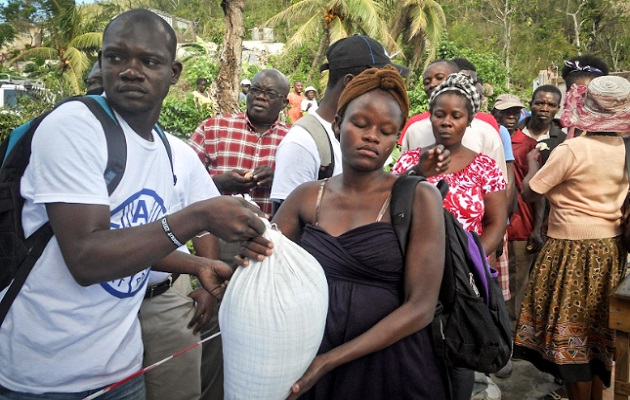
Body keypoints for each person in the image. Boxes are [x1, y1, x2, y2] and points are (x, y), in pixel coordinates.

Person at [0, 9, 267, 399]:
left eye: (149, 61)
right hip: (43, 376)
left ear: (173, 73)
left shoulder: (160, 148)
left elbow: (126, 240)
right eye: (116, 57)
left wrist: (199, 264)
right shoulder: (75, 126)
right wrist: (199, 216)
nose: (130, 70)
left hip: (119, 372)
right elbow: (87, 258)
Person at [245, 65, 449, 399]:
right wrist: (247, 254)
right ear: (338, 125)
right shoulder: (307, 197)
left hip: (389, 366)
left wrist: (329, 361)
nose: (372, 136)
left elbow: (421, 307)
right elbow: (265, 268)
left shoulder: (418, 198)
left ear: (396, 138)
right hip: (307, 356)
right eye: (360, 123)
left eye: (385, 130)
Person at [392, 72, 507, 400]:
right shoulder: (412, 160)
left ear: (469, 120)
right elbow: (392, 207)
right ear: (430, 116)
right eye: (439, 114)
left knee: (459, 350)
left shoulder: (485, 167)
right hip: (412, 269)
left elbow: (497, 223)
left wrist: (468, 262)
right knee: (416, 348)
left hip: (462, 277)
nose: (446, 121)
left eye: (456, 116)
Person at [514, 75, 630, 400]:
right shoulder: (625, 149)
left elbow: (530, 192)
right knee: (597, 340)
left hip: (571, 252)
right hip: (611, 250)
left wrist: (536, 160)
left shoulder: (573, 150)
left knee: (573, 342)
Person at [271, 35, 415, 212]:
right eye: (374, 78)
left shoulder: (374, 134)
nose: (383, 87)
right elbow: (285, 227)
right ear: (351, 82)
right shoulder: (303, 142)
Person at [188, 68, 290, 217]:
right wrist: (217, 183)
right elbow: (182, 177)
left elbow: (306, 192)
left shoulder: (292, 139)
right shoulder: (213, 127)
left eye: (270, 94)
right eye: (255, 90)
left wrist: (278, 180)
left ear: (284, 103)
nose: (260, 97)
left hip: (271, 234)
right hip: (215, 231)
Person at [560, 55, 609, 139]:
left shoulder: (614, 132)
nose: (583, 101)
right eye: (578, 94)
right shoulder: (559, 133)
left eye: (590, 94)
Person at [517, 85, 565, 165]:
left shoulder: (563, 141)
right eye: (539, 103)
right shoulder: (513, 134)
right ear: (530, 105)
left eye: (551, 105)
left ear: (558, 109)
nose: (544, 109)